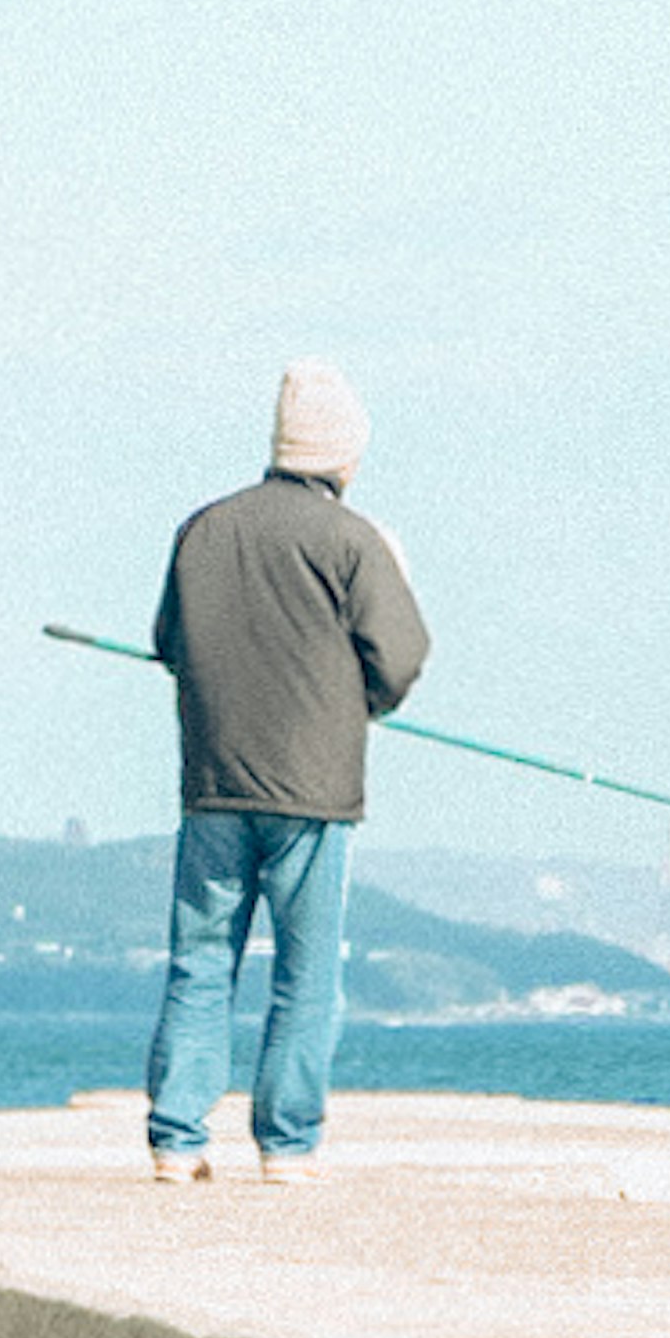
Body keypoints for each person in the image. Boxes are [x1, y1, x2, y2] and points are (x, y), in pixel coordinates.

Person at [144, 363, 429, 1186]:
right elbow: (402, 658)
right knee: (306, 972)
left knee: (201, 961)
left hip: (212, 782)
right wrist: (357, 702)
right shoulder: (353, 541)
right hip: (313, 789)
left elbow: (170, 642)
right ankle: (287, 1144)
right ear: (341, 454)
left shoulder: (203, 529)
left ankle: (177, 1138)